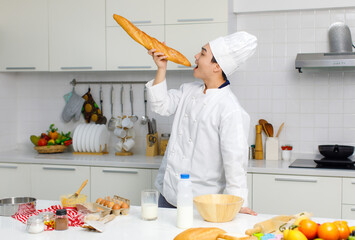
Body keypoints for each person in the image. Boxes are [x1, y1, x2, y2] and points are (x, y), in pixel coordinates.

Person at [146, 31, 257, 215]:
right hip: (167, 195)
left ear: (217, 67)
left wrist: (237, 203)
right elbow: (160, 105)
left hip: (202, 204)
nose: (196, 56)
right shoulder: (188, 91)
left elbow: (235, 163)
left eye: (203, 53)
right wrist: (161, 68)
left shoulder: (230, 109)